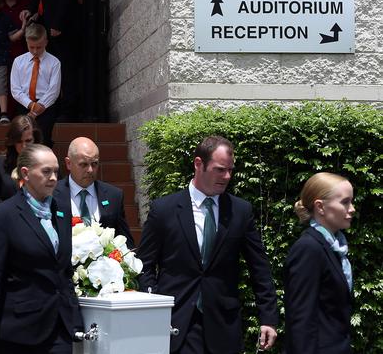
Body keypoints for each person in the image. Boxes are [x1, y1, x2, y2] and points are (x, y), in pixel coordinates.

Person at [137, 136, 279, 354]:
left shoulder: (240, 211)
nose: (227, 176)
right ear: (198, 164)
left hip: (224, 325)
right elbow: (144, 265)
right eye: (220, 169)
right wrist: (156, 307)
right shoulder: (164, 210)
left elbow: (259, 267)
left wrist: (268, 318)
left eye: (230, 170)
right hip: (177, 324)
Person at [0, 143, 83, 353]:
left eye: (56, 172)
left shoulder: (62, 208)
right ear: (26, 173)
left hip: (60, 328)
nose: (53, 178)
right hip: (21, 332)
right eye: (46, 171)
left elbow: (63, 269)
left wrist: (73, 314)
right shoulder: (4, 216)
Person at [284, 172, 355, 354]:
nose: (352, 208)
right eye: (345, 202)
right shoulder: (309, 249)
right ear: (320, 207)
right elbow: (301, 319)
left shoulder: (334, 247)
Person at [53, 137, 134, 247]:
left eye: (94, 164)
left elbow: (125, 241)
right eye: (83, 164)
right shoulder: (52, 194)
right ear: (68, 163)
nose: (90, 170)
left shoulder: (113, 195)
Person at [10, 23, 60, 148]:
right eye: (31, 47)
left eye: (39, 47)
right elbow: (16, 89)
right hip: (24, 105)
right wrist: (31, 105)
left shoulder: (54, 62)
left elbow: (53, 90)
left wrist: (38, 108)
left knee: (43, 140)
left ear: (46, 42)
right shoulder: (18, 61)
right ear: (26, 42)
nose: (35, 51)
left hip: (46, 106)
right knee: (21, 140)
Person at [0, 114, 41, 210]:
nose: (24, 146)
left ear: (35, 139)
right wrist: (5, 216)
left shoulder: (46, 162)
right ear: (12, 142)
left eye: (28, 141)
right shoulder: (0, 163)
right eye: (19, 142)